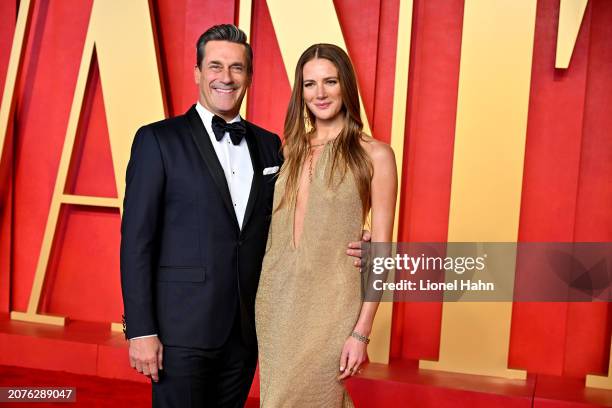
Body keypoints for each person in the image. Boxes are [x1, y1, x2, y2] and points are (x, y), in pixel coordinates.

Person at [120, 25, 367, 407]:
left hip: (248, 331)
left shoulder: (271, 146)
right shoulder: (157, 141)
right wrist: (140, 330)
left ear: (249, 77)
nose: (226, 77)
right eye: (215, 66)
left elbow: (295, 217)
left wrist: (361, 240)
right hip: (180, 333)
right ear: (197, 72)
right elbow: (136, 243)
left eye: (237, 68)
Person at [255, 43, 397, 407]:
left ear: (345, 85)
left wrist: (361, 333)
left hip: (333, 302)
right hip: (275, 297)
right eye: (309, 84)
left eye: (330, 82)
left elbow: (382, 252)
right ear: (299, 93)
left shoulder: (376, 154)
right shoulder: (288, 151)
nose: (319, 93)